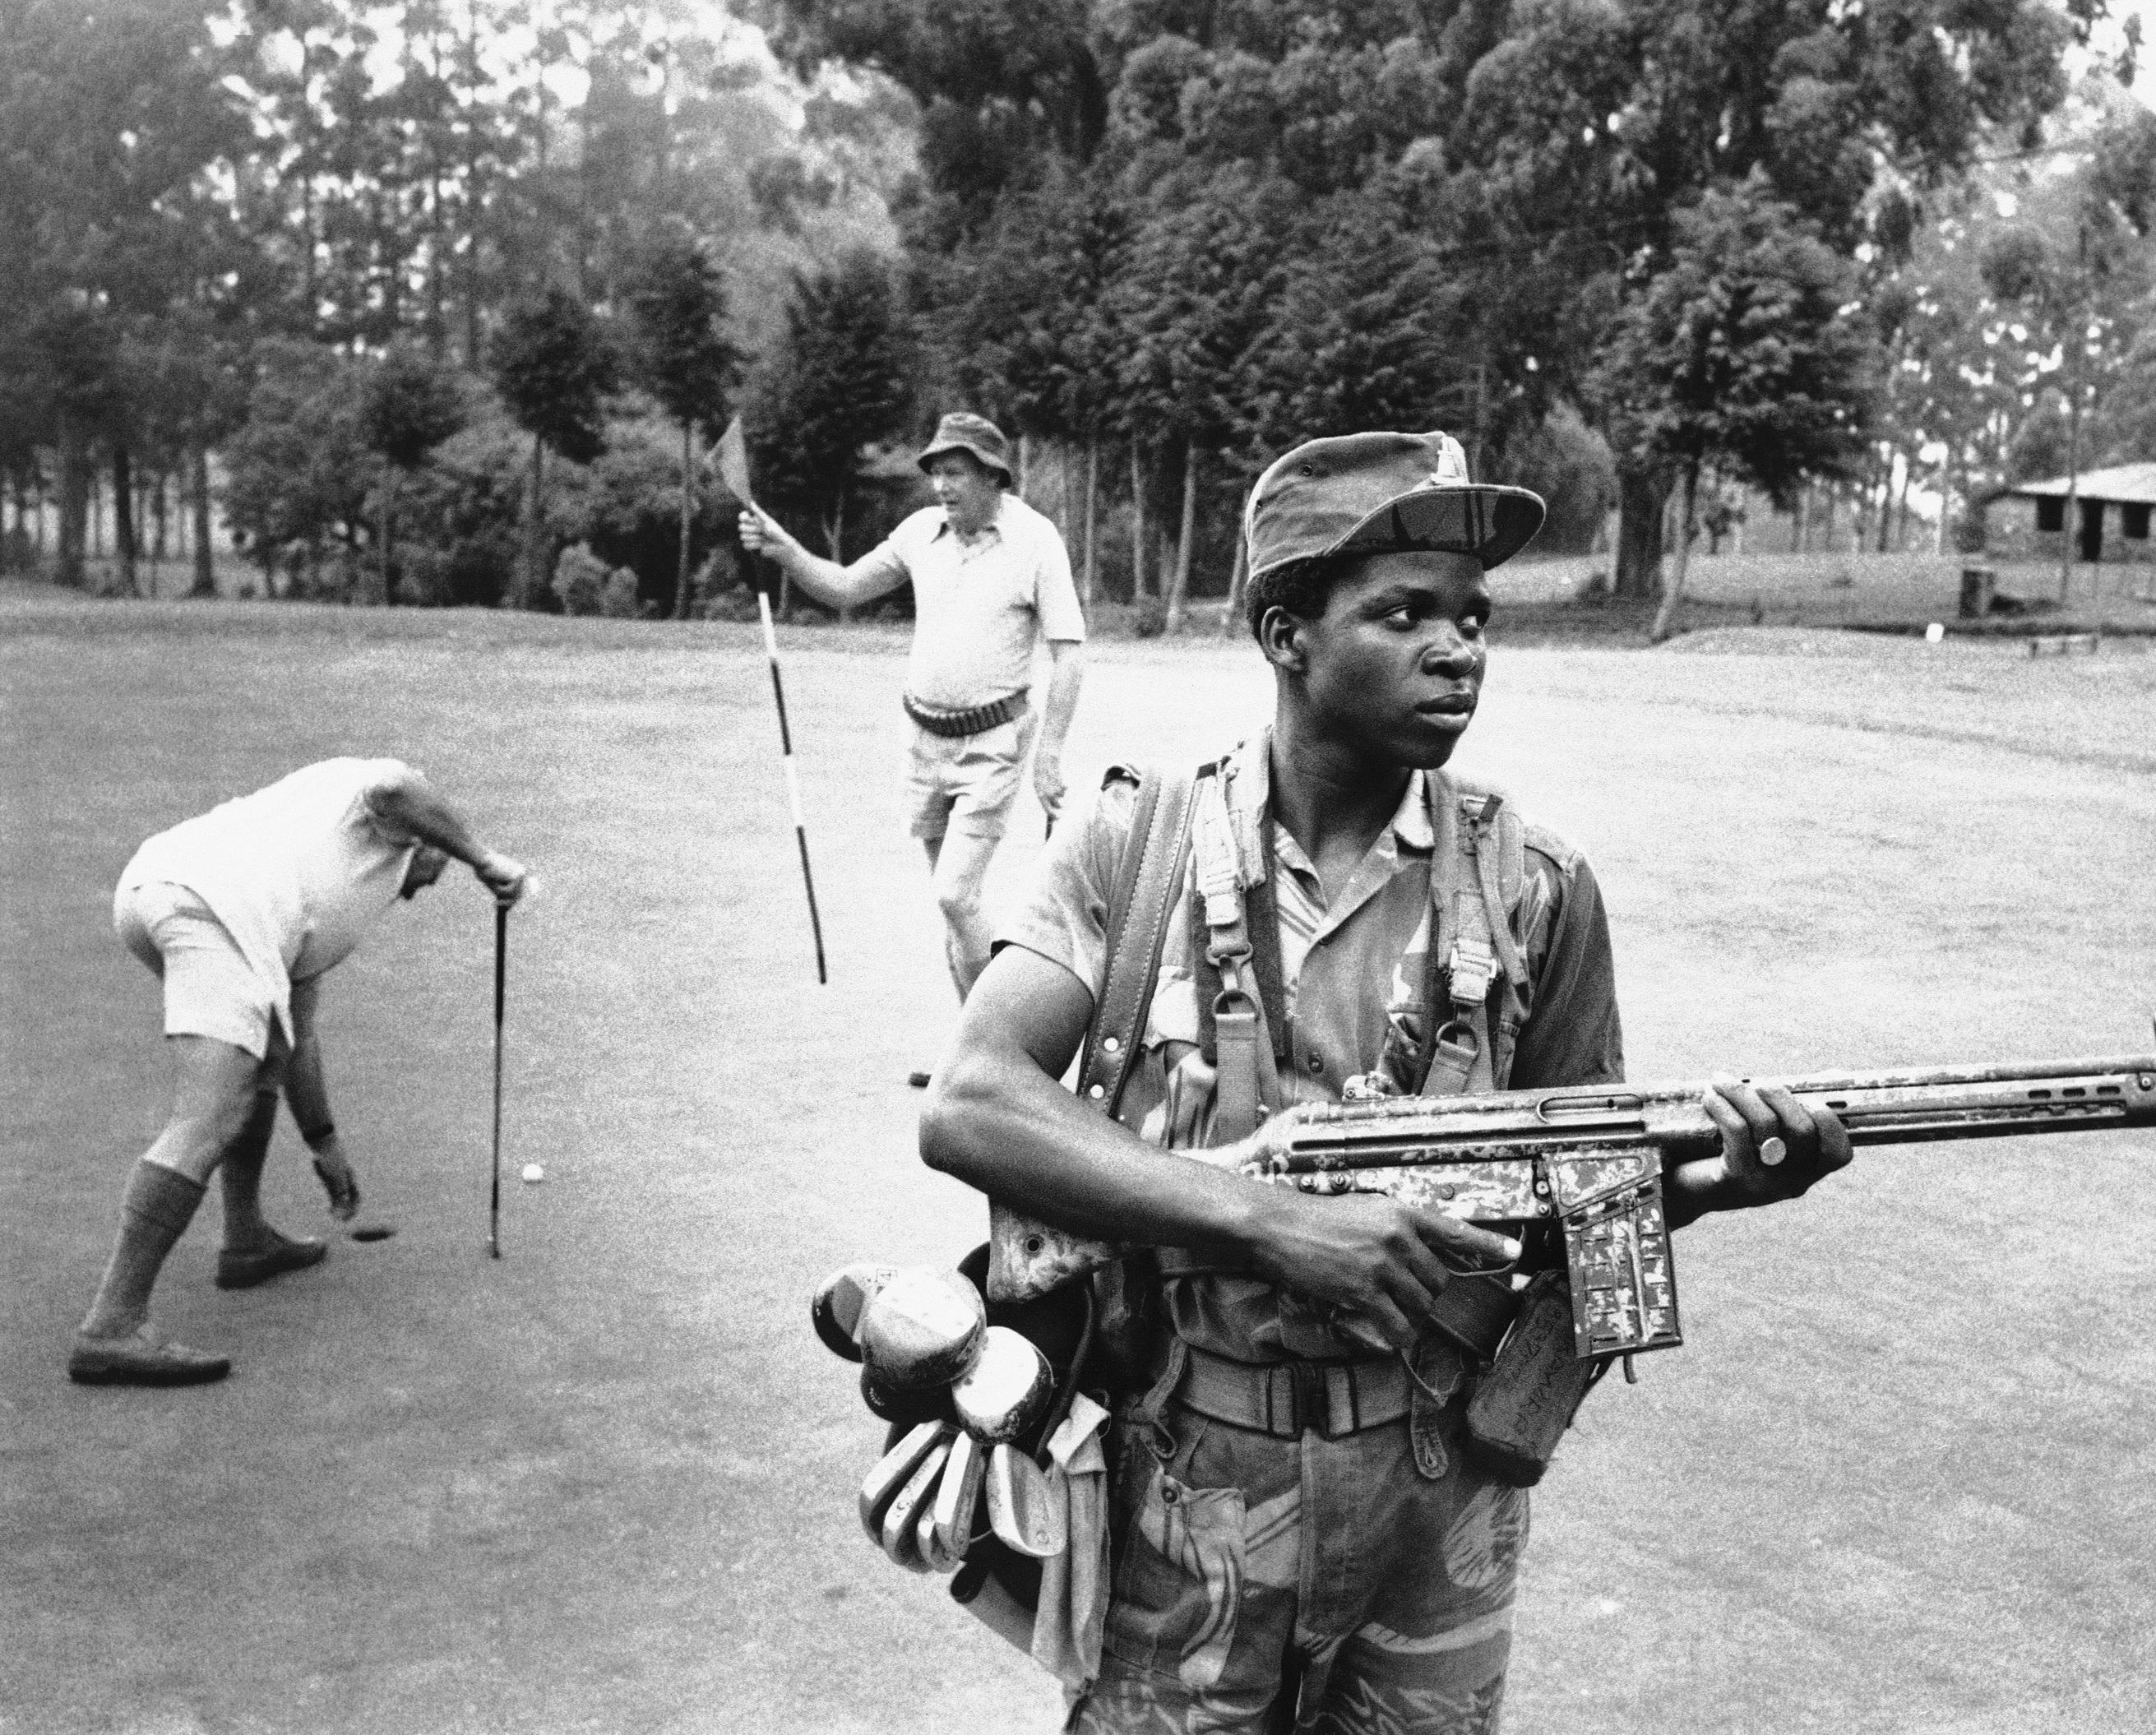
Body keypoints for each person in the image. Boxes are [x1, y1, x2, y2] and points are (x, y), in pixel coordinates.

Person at [920, 431, 1853, 1731]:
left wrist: (1709, 1182)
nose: (1458, 647)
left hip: (1441, 1477)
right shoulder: (1136, 843)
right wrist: (1267, 1219)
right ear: (1286, 632)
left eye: (1473, 617)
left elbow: (1591, 1189)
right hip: (1188, 1478)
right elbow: (970, 1098)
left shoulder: (1539, 887)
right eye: (1404, 612)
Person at [70, 758, 529, 1387]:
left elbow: (295, 1036)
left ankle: (246, 1239)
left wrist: (326, 1145)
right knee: (206, 1118)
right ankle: (112, 1326)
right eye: (433, 867)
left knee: (259, 1059)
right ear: (420, 839)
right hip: (216, 903)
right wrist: (486, 859)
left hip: (160, 889)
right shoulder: (381, 799)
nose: (422, 889)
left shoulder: (321, 862)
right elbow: (399, 790)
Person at [738, 410, 1086, 1011]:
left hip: (993, 745)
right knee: (952, 906)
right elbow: (845, 588)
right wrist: (784, 549)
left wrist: (1049, 753)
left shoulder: (1035, 541)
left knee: (956, 895)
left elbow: (1069, 654)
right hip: (922, 742)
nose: (942, 486)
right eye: (937, 474)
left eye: (955, 473)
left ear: (992, 476)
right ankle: (969, 1058)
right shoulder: (919, 533)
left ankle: (999, 1044)